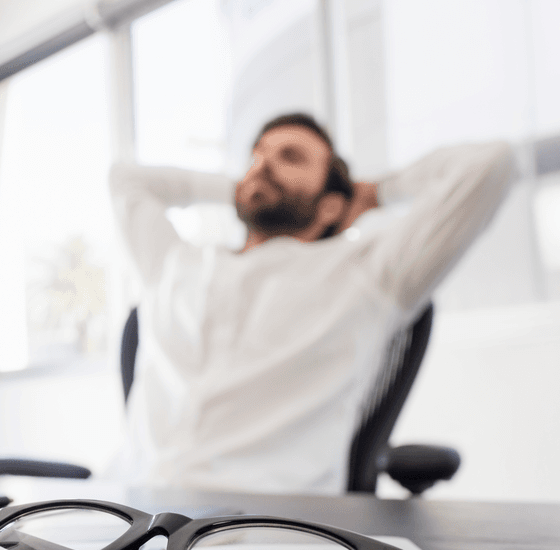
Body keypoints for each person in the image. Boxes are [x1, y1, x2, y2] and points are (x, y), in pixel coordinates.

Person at [108, 112, 515, 494]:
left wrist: (374, 193)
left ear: (332, 205)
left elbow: (491, 165)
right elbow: (125, 178)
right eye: (257, 156)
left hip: (269, 524)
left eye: (290, 157)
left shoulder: (369, 273)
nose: (263, 164)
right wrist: (237, 188)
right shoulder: (175, 263)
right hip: (127, 509)